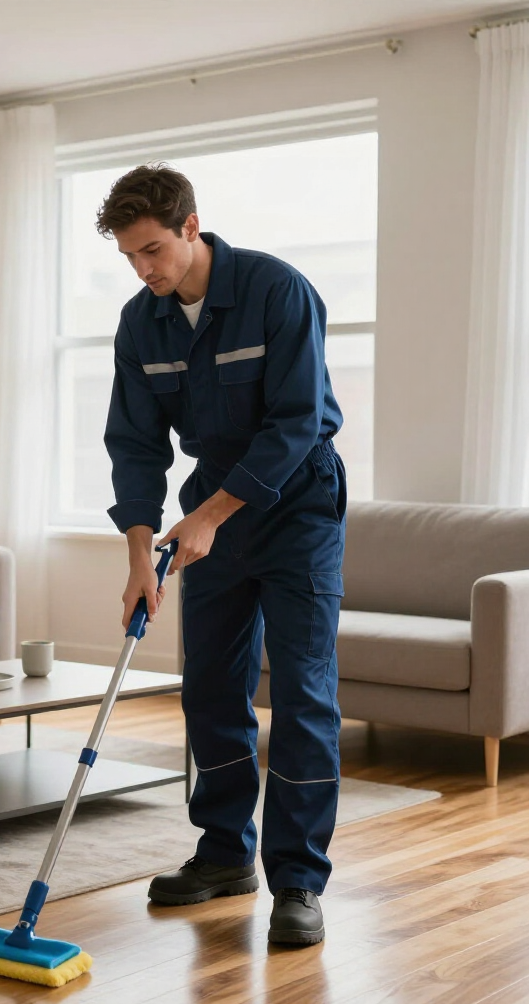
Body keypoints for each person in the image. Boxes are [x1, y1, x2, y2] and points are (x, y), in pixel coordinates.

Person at [98, 164, 346, 946]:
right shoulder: (142, 323)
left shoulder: (277, 291)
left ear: (191, 226)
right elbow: (136, 446)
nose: (142, 269)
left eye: (152, 250)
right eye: (129, 256)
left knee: (302, 693)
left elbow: (297, 422)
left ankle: (298, 879)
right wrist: (140, 556)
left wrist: (208, 517)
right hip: (209, 511)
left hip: (298, 505)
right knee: (209, 685)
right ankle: (224, 852)